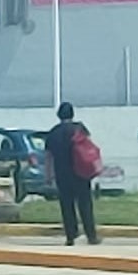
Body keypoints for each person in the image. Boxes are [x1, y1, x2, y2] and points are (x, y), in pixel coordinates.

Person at [44, 102, 100, 246]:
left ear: (58, 115)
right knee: (85, 204)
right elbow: (88, 148)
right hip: (81, 173)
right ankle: (91, 235)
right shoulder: (80, 129)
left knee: (67, 206)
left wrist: (48, 175)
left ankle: (71, 236)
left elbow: (49, 157)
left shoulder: (53, 133)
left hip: (62, 174)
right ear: (72, 114)